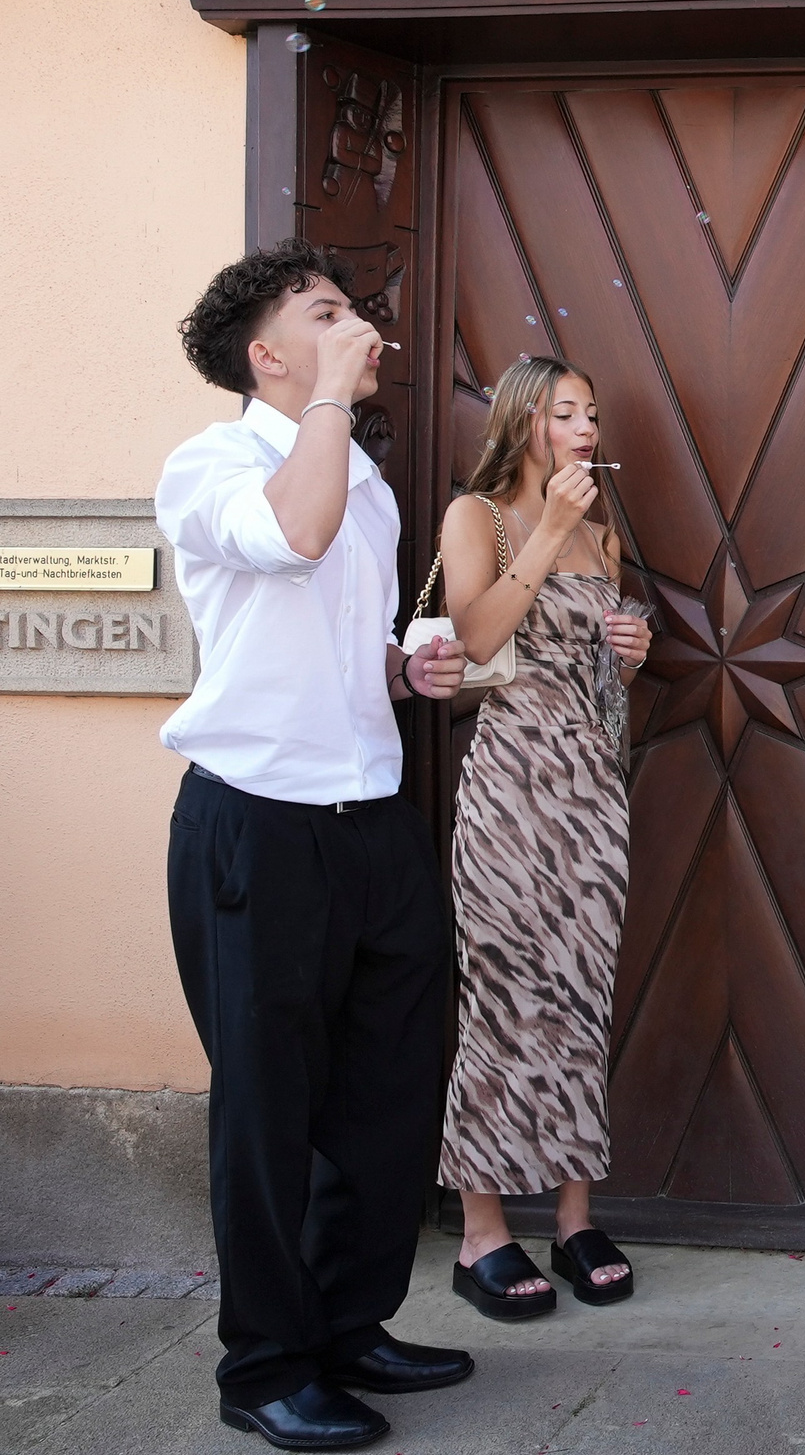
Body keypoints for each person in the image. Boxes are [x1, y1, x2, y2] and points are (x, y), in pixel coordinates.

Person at [157, 240, 473, 1451]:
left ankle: (349, 1327)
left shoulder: (372, 487)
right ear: (267, 354)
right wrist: (333, 399)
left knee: (387, 1095)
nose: (361, 325)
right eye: (327, 312)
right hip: (257, 821)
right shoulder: (211, 462)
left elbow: (328, 642)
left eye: (357, 309)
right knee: (268, 1107)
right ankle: (266, 1367)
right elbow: (288, 542)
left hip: (371, 817)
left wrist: (406, 669)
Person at [437, 357, 652, 1317]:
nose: (584, 427)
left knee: (580, 994)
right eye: (565, 411)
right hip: (509, 787)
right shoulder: (474, 518)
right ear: (525, 420)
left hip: (590, 790)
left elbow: (602, 693)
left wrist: (631, 660)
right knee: (500, 994)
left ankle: (573, 1216)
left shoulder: (604, 543)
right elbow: (477, 639)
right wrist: (551, 528)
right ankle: (483, 1230)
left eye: (592, 413)